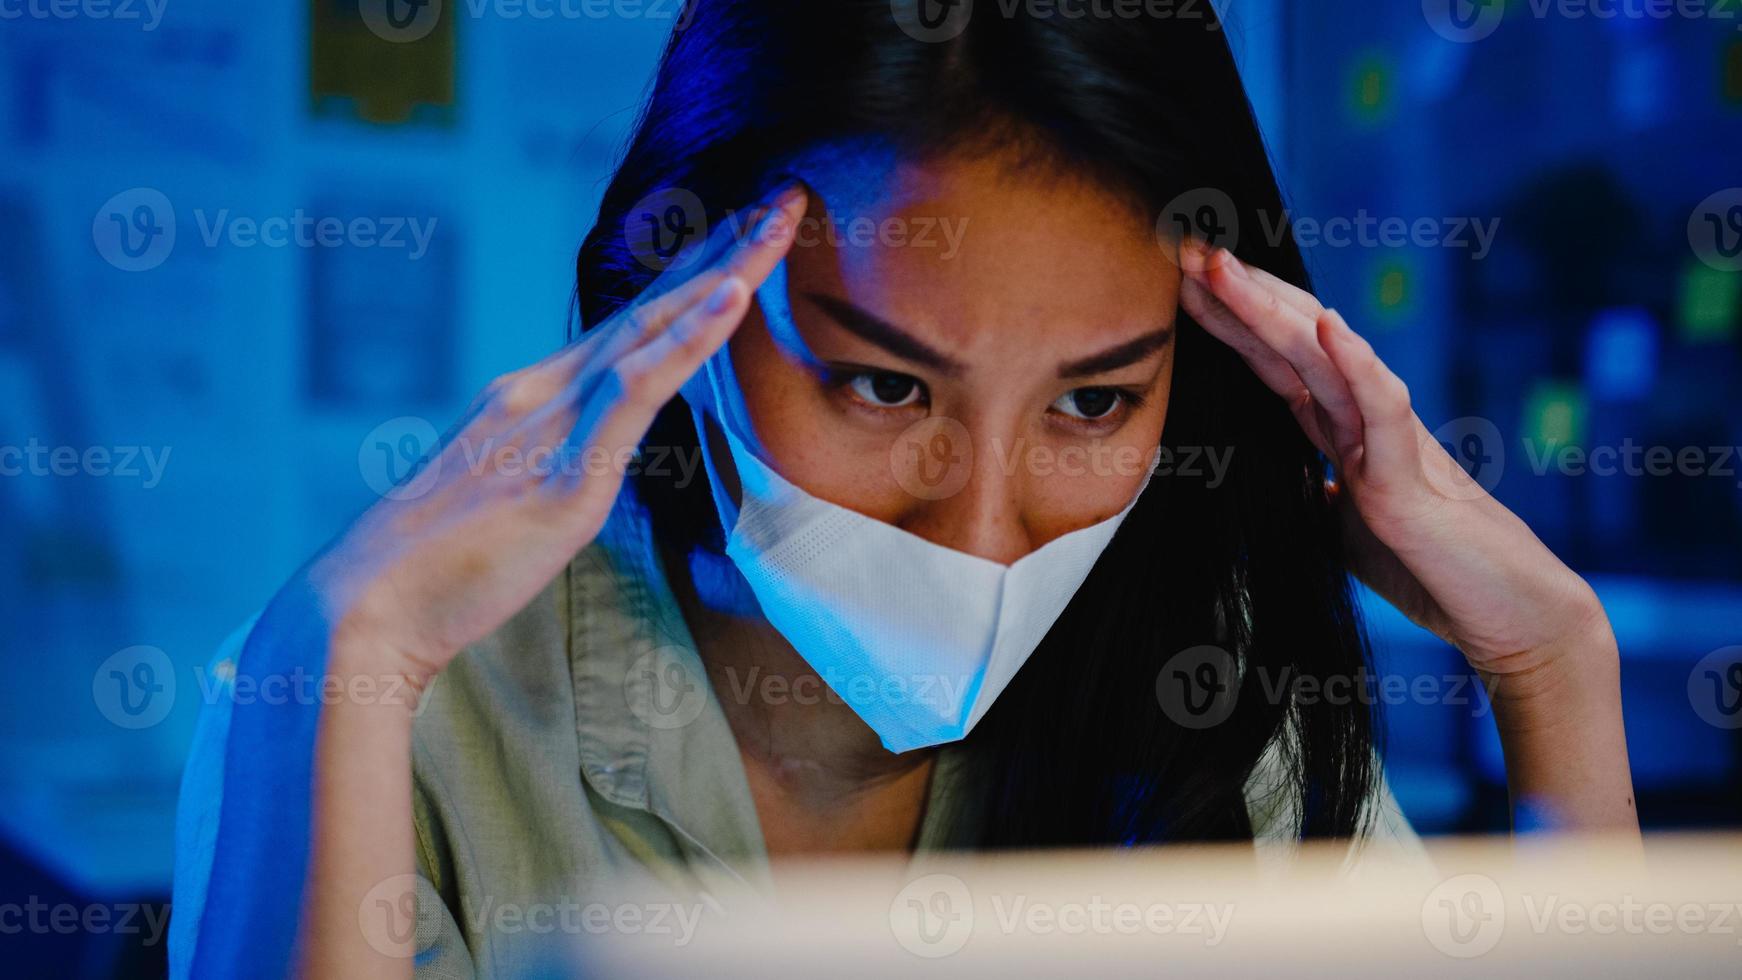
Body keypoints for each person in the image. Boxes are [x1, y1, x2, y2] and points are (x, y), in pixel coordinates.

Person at [170, 3, 1638, 976]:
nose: (984, 528)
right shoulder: (394, 708)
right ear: (675, 309)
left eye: (1093, 400)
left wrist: (1551, 664)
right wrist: (335, 658)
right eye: (882, 384)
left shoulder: (1212, 695)